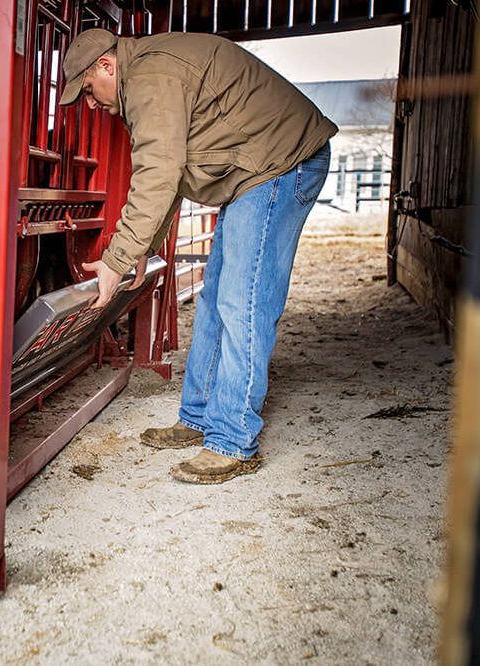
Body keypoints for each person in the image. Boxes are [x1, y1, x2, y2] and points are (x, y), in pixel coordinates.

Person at [61, 28, 336, 484]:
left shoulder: (150, 76)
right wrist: (139, 252)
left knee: (241, 302)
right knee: (214, 300)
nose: (90, 104)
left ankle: (232, 439)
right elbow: (169, 180)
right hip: (252, 172)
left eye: (88, 90)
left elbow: (157, 176)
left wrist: (114, 261)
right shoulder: (145, 76)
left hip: (281, 163)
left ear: (106, 66)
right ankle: (198, 417)